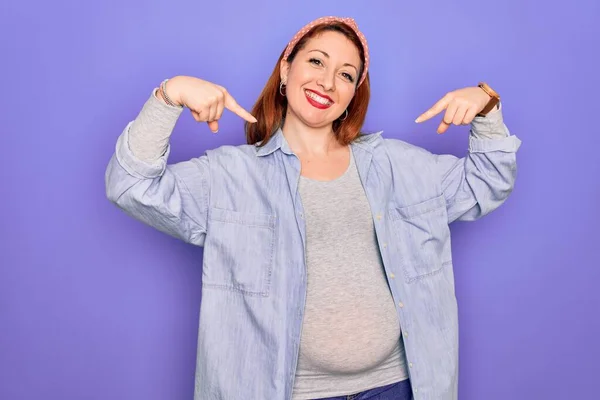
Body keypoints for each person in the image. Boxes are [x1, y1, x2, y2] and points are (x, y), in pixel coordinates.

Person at [105, 15, 521, 400]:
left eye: (346, 74)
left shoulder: (399, 166)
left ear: (354, 93)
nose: (327, 82)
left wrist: (487, 107)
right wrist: (169, 95)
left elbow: (488, 182)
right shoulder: (229, 176)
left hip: (397, 387)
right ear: (286, 69)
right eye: (316, 61)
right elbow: (129, 184)